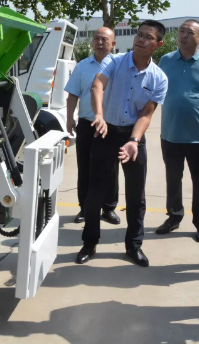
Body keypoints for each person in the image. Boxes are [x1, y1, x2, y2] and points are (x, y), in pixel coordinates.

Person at [75, 20, 168, 267]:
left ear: (158, 44)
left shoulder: (159, 78)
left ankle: (134, 245)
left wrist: (134, 140)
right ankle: (89, 243)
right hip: (105, 132)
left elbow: (147, 114)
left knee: (136, 195)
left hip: (133, 138)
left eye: (148, 37)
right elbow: (97, 85)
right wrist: (98, 115)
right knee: (95, 192)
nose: (140, 39)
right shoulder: (114, 62)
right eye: (139, 34)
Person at [156, 20, 199, 243]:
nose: (183, 36)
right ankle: (174, 217)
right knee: (173, 179)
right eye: (181, 31)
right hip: (171, 133)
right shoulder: (166, 60)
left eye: (189, 33)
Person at [65, 27, 120, 225]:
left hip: (111, 125)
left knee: (110, 168)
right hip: (87, 124)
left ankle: (109, 208)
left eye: (104, 39)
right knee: (85, 167)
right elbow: (73, 94)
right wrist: (70, 118)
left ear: (113, 43)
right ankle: (85, 207)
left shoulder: (118, 64)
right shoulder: (82, 66)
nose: (99, 42)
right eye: (96, 38)